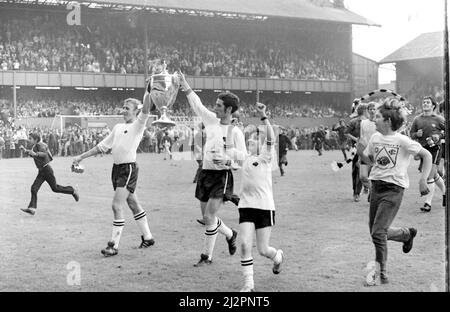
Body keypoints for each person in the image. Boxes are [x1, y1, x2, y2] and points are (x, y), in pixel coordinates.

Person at [356, 98, 432, 286]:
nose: (374, 119)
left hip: (393, 190)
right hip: (376, 188)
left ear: (388, 121)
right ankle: (406, 234)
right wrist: (362, 161)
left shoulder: (402, 140)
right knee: (376, 231)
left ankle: (381, 274)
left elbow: (427, 155)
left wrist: (423, 180)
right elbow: (370, 158)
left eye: (378, 117)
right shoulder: (375, 138)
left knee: (377, 232)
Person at [71, 93, 155, 257]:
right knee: (132, 203)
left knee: (116, 205)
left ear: (136, 111)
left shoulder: (138, 125)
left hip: (128, 169)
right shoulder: (117, 127)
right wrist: (81, 157)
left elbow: (145, 109)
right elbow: (101, 147)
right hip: (116, 169)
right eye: (123, 107)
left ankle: (113, 245)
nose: (123, 110)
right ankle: (148, 237)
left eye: (127, 108)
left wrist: (149, 91)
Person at [179, 71, 246, 267]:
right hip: (205, 174)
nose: (214, 107)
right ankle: (230, 233)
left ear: (229, 109)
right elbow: (197, 104)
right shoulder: (211, 120)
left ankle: (206, 256)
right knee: (208, 218)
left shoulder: (236, 132)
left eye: (218, 105)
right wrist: (185, 84)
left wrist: (228, 161)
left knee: (209, 217)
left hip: (222, 177)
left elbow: (243, 159)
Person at [236, 103, 284, 292]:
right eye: (249, 141)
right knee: (245, 244)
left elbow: (271, 137)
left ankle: (277, 256)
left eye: (254, 140)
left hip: (264, 207)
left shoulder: (265, 157)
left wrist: (263, 116)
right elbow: (231, 158)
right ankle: (249, 285)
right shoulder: (245, 158)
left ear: (261, 144)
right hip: (246, 207)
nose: (250, 143)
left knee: (263, 250)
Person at [20, 132, 79, 216]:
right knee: (34, 188)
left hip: (47, 170)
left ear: (36, 139)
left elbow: (44, 154)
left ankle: (72, 190)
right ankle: (32, 208)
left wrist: (35, 154)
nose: (29, 140)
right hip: (42, 171)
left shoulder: (40, 145)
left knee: (55, 188)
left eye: (30, 139)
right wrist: (25, 151)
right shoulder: (36, 146)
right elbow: (35, 155)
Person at [409, 96, 446, 212]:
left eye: (428, 102)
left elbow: (446, 132)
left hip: (436, 149)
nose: (425, 104)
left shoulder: (439, 119)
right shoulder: (417, 119)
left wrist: (439, 136)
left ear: (433, 105)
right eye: (424, 102)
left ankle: (427, 204)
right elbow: (411, 134)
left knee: (430, 175)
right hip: (423, 150)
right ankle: (445, 193)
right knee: (434, 175)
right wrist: (417, 135)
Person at [345, 102, 367, 202]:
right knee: (358, 170)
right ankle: (357, 192)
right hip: (357, 148)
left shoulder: (370, 122)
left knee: (360, 170)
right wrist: (357, 139)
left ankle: (361, 190)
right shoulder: (354, 122)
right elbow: (346, 133)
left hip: (367, 148)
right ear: (365, 111)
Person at [359, 102, 378, 196]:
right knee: (363, 176)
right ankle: (372, 190)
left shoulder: (379, 123)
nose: (372, 111)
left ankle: (372, 194)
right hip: (365, 152)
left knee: (374, 176)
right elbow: (361, 137)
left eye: (374, 109)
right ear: (367, 111)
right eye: (370, 109)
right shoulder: (363, 123)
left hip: (376, 152)